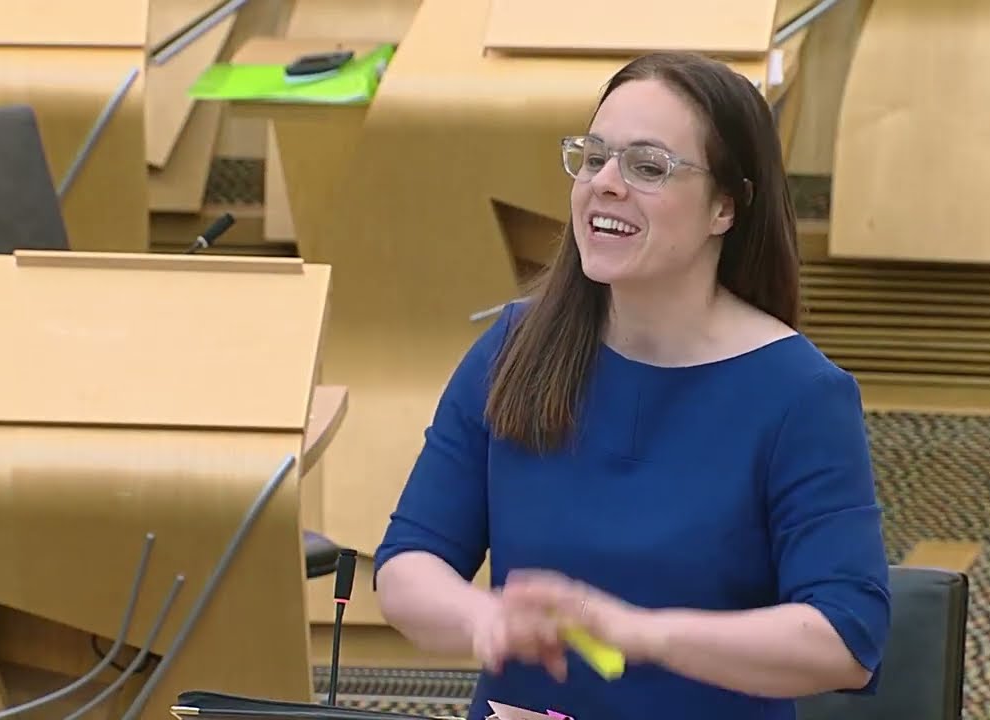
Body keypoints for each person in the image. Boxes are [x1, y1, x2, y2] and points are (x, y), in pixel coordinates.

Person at [373, 51, 890, 720]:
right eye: (593, 158)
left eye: (648, 167)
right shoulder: (514, 347)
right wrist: (483, 618)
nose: (605, 184)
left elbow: (847, 637)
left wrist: (644, 635)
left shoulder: (800, 395)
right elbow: (408, 562)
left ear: (725, 207)